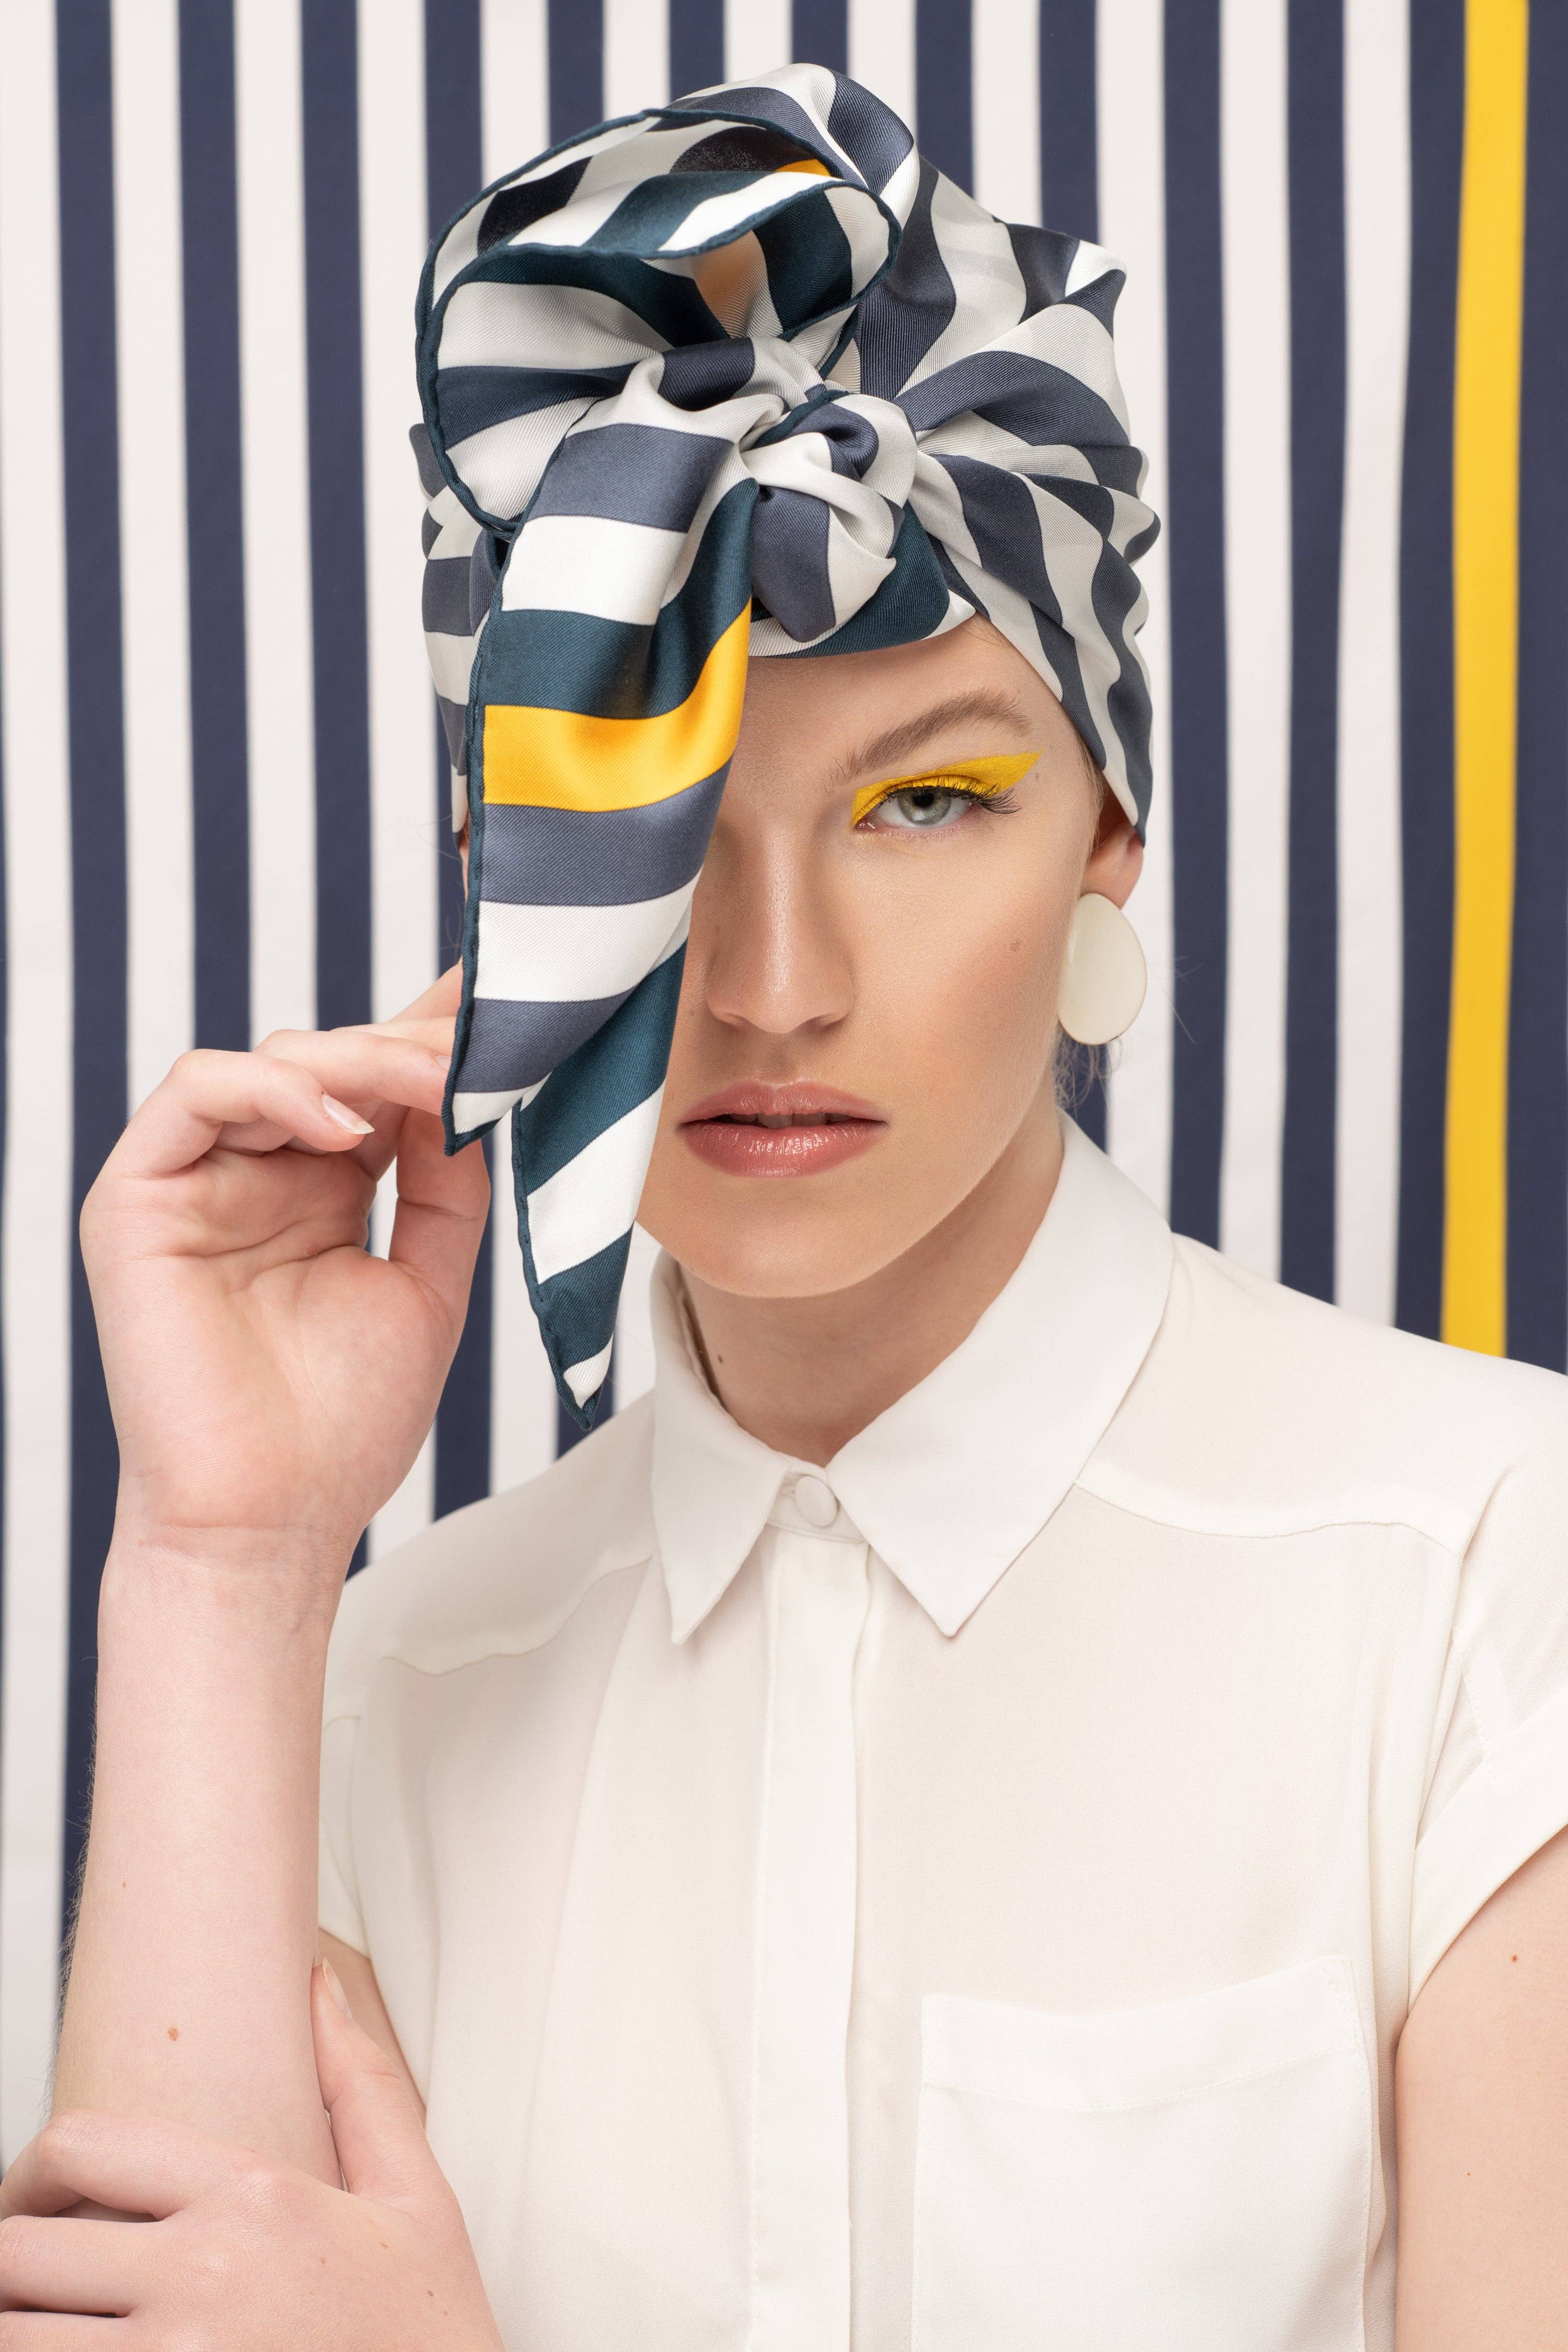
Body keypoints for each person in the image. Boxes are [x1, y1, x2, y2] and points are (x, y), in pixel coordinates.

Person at [4, 64, 1567, 2352]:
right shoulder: (388, 1686)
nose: (771, 983)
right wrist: (223, 1565)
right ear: (511, 877)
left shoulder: (1492, 1574)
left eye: (924, 803)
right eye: (655, 825)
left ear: (1106, 834)